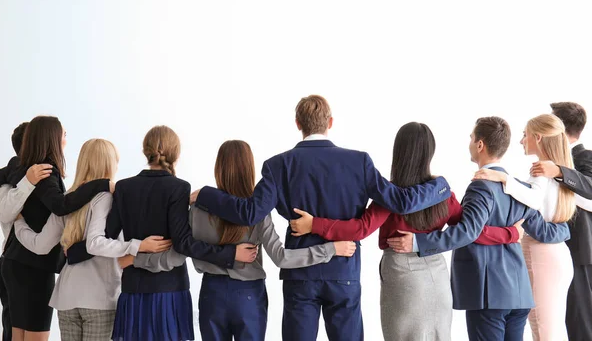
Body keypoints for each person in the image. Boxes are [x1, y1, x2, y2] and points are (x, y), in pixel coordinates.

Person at [191, 95, 452, 341]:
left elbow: (249, 212)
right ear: (330, 123)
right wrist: (441, 185)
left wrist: (205, 194)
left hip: (300, 275)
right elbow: (401, 202)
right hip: (344, 270)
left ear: (298, 124)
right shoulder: (359, 161)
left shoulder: (277, 165)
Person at [289, 122, 523, 341]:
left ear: (398, 152)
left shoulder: (390, 195)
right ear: (430, 152)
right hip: (438, 278)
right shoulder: (442, 192)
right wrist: (510, 234)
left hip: (403, 275)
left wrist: (315, 224)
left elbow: (359, 229)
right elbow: (471, 231)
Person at [127, 140, 357, 341]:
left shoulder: (197, 208)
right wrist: (330, 249)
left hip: (211, 295)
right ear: (250, 168)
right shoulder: (258, 212)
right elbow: (282, 258)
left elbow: (177, 254)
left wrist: (135, 259)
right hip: (249, 298)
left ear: (218, 167)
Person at [391, 116, 571, 341]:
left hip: (488, 294)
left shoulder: (481, 187)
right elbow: (543, 230)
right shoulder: (522, 190)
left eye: (471, 138)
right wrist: (566, 230)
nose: (469, 143)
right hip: (519, 293)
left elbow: (468, 231)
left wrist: (419, 242)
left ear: (480, 145)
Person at [104, 126, 258, 341]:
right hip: (169, 290)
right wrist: (229, 254)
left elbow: (107, 237)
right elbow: (183, 244)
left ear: (145, 150)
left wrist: (134, 254)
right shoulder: (179, 188)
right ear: (175, 153)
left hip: (133, 289)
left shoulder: (123, 187)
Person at [12, 139, 172, 341]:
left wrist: (18, 222)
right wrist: (138, 245)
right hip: (99, 296)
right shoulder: (106, 197)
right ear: (108, 163)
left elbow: (40, 245)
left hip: (67, 297)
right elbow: (96, 243)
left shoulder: (66, 199)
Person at [473, 113, 592, 341]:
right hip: (550, 254)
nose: (521, 141)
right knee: (545, 327)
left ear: (538, 138)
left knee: (545, 329)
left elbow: (534, 200)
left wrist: (504, 180)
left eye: (524, 135)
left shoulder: (545, 170)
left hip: (544, 256)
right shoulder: (551, 171)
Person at [0, 116, 113, 341]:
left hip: (16, 263)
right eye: (63, 134)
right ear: (51, 138)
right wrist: (102, 184)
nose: (66, 139)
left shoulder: (23, 168)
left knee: (18, 335)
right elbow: (61, 206)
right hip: (32, 268)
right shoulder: (45, 172)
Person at [529, 102, 592, 341]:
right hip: (554, 252)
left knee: (579, 322)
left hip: (578, 251)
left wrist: (558, 171)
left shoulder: (585, 157)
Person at [0, 122, 51, 341]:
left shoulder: (43, 177)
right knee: (12, 333)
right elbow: (6, 214)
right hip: (16, 264)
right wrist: (27, 181)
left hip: (24, 265)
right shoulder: (11, 179)